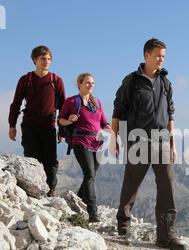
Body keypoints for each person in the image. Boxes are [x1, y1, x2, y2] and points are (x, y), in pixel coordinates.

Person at [109, 38, 186, 250]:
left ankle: (166, 235)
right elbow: (118, 109)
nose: (161, 59)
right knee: (132, 183)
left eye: (163, 56)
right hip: (137, 139)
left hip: (161, 140)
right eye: (158, 55)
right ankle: (123, 223)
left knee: (167, 186)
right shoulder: (131, 81)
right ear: (146, 55)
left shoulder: (165, 82)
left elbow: (170, 113)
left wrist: (172, 143)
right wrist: (114, 138)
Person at [8, 45, 66, 197]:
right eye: (43, 58)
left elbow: (63, 108)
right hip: (29, 125)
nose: (46, 61)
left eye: (48, 59)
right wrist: (12, 125)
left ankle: (51, 190)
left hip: (48, 125)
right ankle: (32, 192)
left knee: (51, 161)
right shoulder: (25, 80)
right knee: (32, 159)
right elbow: (16, 104)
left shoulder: (56, 81)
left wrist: (63, 131)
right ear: (35, 60)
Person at [58, 73, 112, 223]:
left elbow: (103, 122)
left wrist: (111, 130)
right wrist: (68, 121)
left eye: (92, 83)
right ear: (79, 84)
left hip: (97, 142)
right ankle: (93, 212)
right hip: (80, 141)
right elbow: (60, 120)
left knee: (92, 175)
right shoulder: (71, 102)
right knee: (89, 174)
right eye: (87, 83)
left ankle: (77, 200)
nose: (90, 85)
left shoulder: (97, 102)